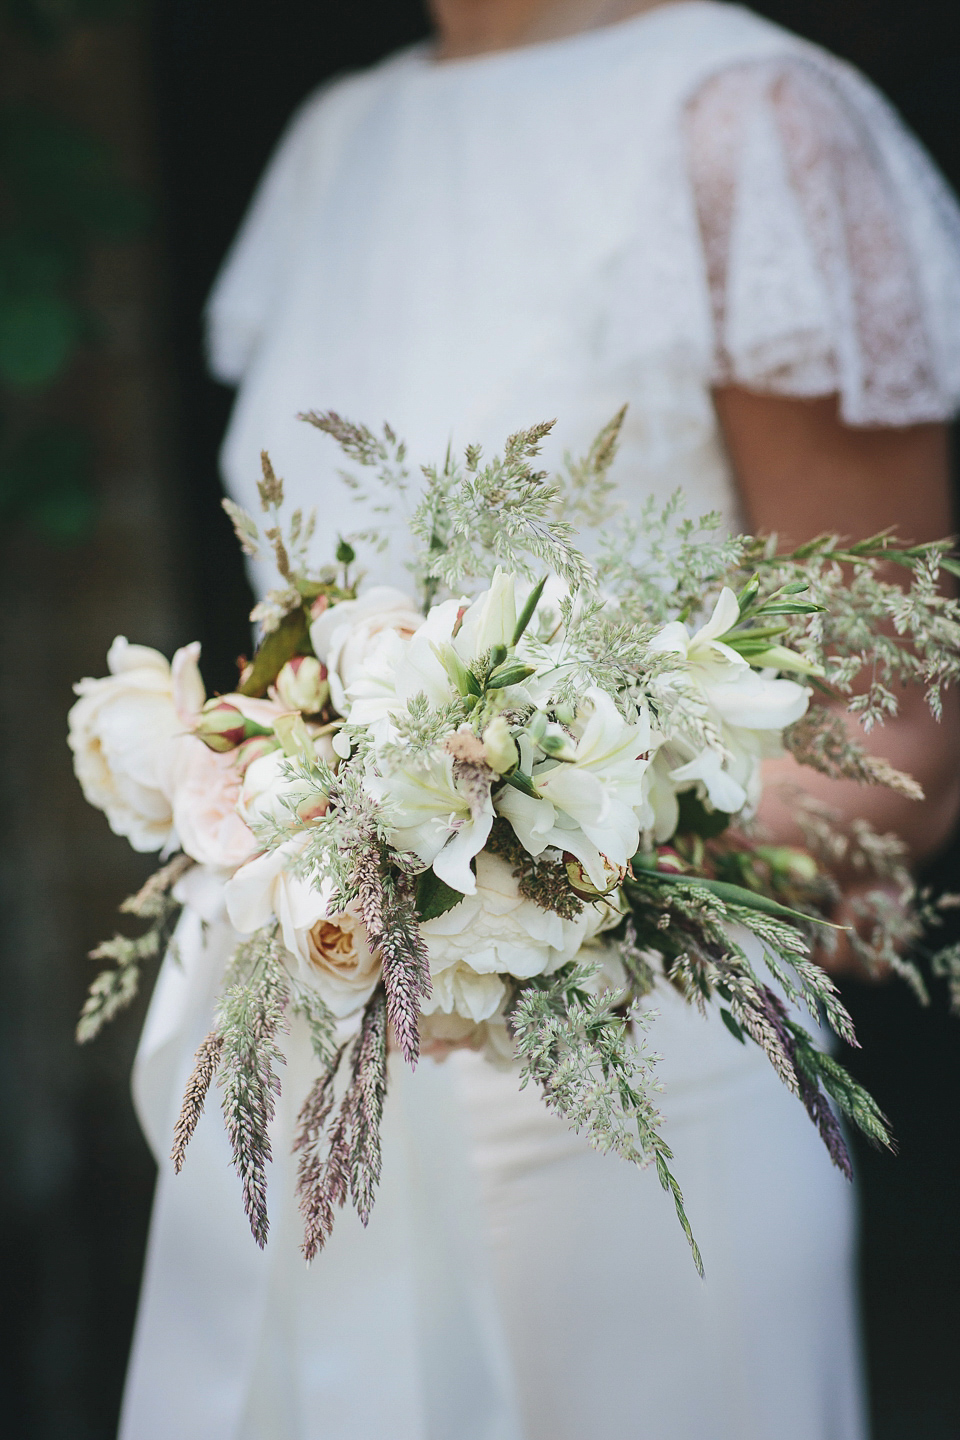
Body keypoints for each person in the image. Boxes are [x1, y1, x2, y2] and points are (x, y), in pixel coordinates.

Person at [119, 3, 960, 1437]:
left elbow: (897, 730)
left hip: (633, 1109)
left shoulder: (743, 122)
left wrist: (519, 917)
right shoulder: (345, 138)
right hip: (310, 1082)